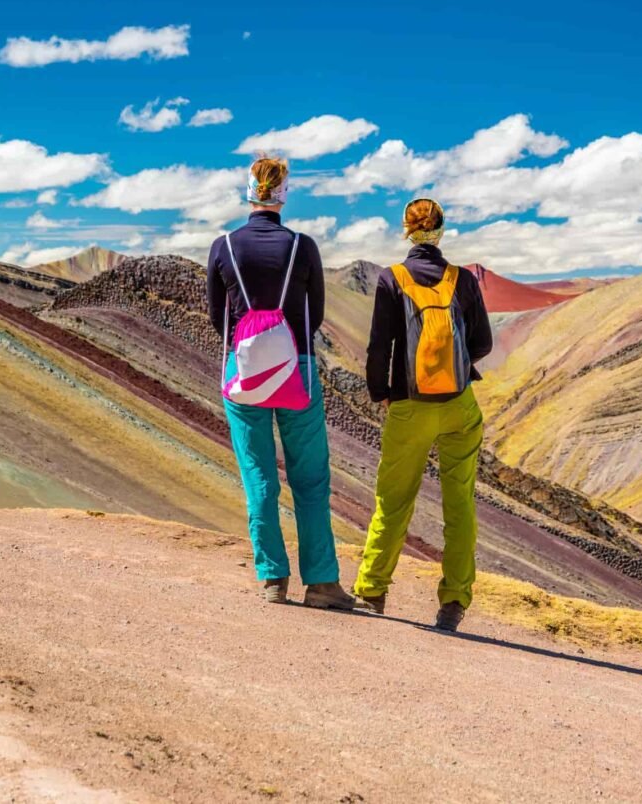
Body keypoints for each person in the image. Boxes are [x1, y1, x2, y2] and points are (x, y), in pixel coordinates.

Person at [206, 156, 357, 610]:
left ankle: (273, 578)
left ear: (248, 192)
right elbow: (317, 312)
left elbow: (219, 317)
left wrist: (252, 349)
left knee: (258, 475)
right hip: (299, 370)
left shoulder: (224, 246)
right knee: (309, 479)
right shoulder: (302, 246)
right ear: (284, 193)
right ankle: (323, 583)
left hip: (244, 371)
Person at [355, 198, 493, 632]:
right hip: (459, 406)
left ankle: (372, 590)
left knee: (392, 503)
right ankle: (453, 603)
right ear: (441, 231)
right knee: (460, 505)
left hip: (409, 406)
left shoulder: (391, 279)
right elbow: (484, 343)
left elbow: (380, 347)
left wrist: (383, 393)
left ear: (406, 231)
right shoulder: (462, 279)